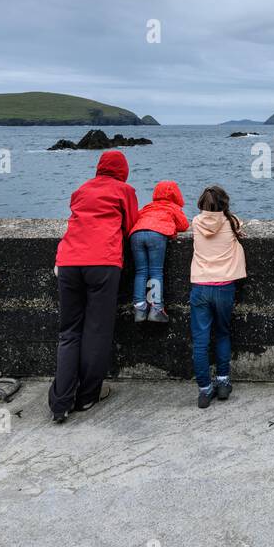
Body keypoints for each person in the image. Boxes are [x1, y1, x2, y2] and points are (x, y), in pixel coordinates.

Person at [48, 149, 138, 423]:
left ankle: (60, 403)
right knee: (96, 331)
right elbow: (131, 226)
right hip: (102, 263)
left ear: (99, 167)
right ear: (123, 170)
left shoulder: (81, 189)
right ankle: (87, 397)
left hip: (68, 262)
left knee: (69, 332)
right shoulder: (125, 190)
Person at [188, 185, 246, 408]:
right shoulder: (232, 222)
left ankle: (204, 390)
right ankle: (223, 382)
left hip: (201, 286)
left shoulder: (195, 222)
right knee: (222, 333)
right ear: (225, 203)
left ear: (201, 204)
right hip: (224, 286)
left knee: (200, 342)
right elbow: (238, 229)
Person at [128, 180, 189, 323]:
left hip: (136, 234)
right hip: (156, 235)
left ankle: (140, 309)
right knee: (155, 272)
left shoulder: (148, 207)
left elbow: (136, 218)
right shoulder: (172, 208)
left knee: (141, 272)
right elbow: (184, 225)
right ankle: (156, 309)